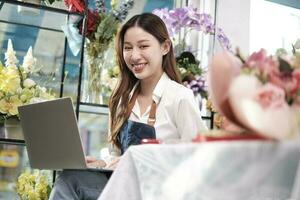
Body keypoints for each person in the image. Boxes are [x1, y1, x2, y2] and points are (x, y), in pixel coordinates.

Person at [49, 13, 207, 200]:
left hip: (161, 191)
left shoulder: (179, 97)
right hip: (124, 186)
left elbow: (198, 156)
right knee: (69, 179)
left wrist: (140, 160)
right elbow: (116, 155)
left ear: (165, 47)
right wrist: (101, 163)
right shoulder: (121, 100)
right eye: (128, 48)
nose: (134, 56)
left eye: (143, 46)